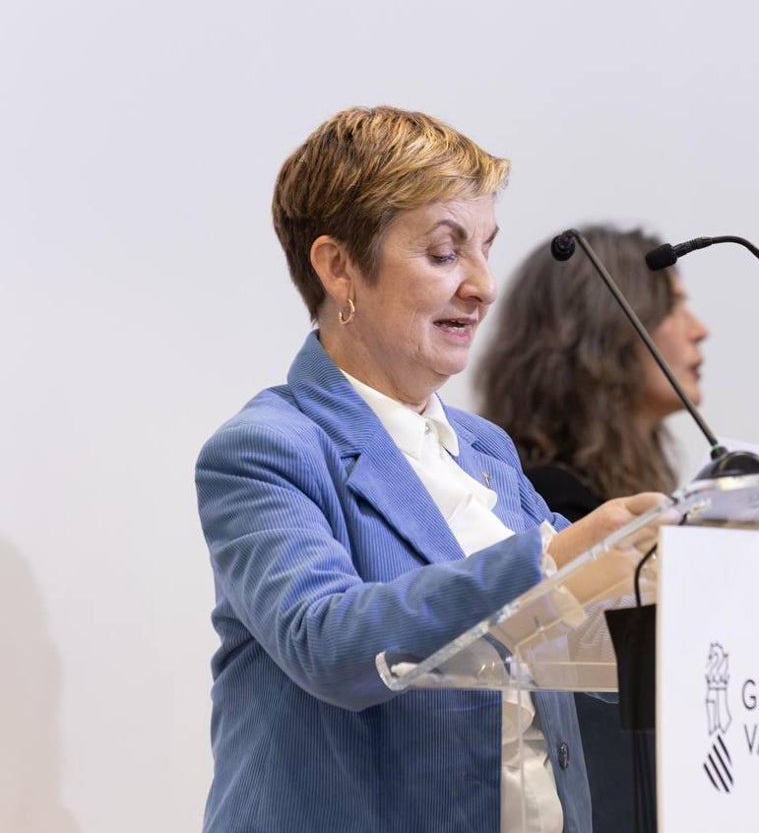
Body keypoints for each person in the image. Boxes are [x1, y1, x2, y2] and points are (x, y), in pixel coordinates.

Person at [194, 107, 666, 833]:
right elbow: (328, 642)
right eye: (446, 254)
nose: (484, 285)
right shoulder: (267, 451)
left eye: (486, 249)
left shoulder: (485, 451)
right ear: (339, 266)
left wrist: (676, 585)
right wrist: (555, 559)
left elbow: (579, 660)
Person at [475, 225, 710, 832]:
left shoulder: (635, 491)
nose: (699, 328)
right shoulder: (544, 506)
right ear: (605, 333)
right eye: (673, 306)